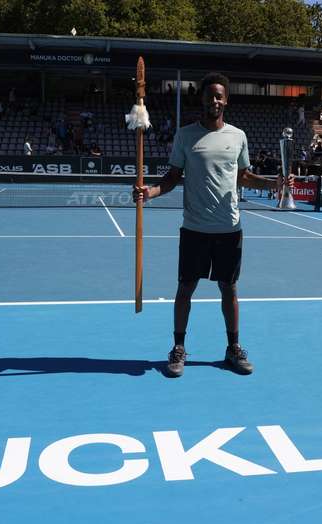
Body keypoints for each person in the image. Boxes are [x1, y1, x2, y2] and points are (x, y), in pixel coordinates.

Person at [132, 72, 292, 377]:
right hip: (194, 228)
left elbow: (244, 176)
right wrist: (149, 192)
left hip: (229, 229)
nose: (214, 101)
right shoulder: (185, 135)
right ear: (202, 100)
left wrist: (274, 184)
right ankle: (178, 348)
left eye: (219, 96)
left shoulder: (238, 136)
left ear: (226, 100)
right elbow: (171, 178)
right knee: (185, 288)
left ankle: (233, 348)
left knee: (229, 288)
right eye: (209, 96)